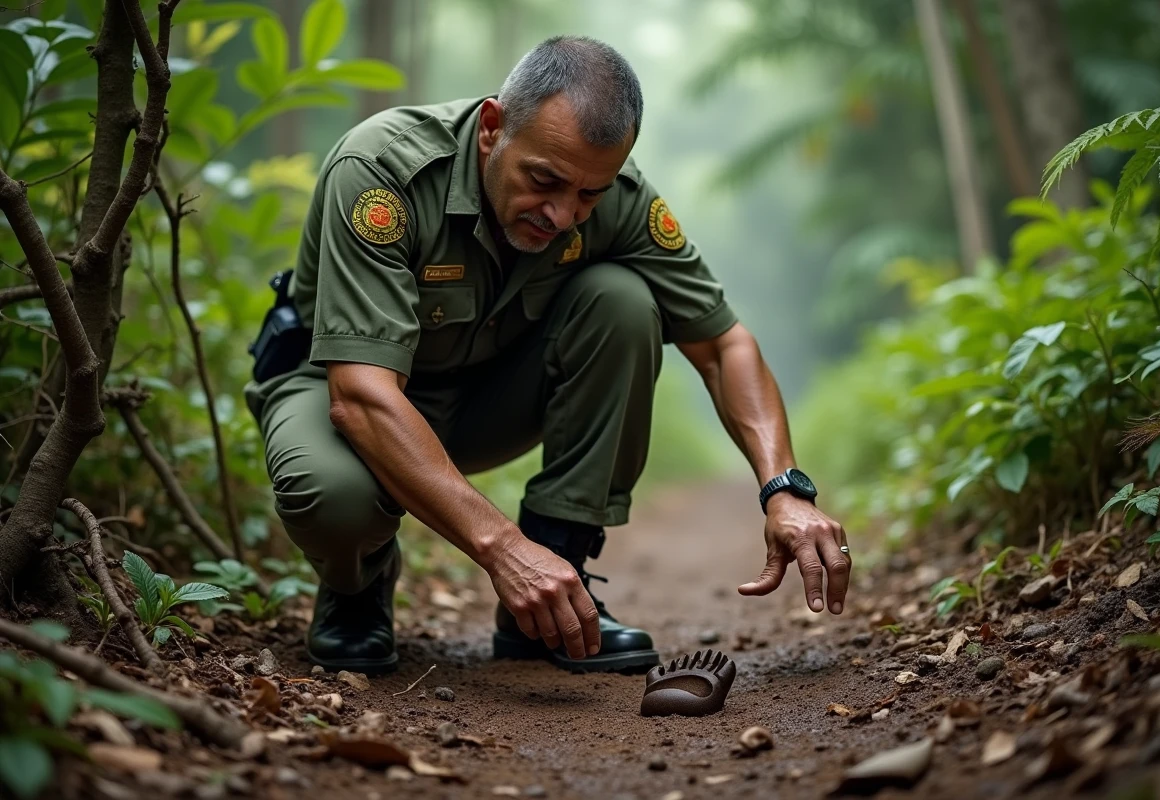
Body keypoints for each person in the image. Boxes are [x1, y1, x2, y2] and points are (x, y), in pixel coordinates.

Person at [244, 35, 851, 676]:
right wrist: (503, 547)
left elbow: (723, 343)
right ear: (491, 129)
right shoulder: (383, 172)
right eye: (544, 180)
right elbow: (362, 398)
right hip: (343, 394)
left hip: (481, 401)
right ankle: (356, 588)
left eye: (589, 194)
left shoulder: (616, 199)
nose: (563, 214)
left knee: (621, 300)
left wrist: (785, 489)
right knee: (333, 497)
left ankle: (552, 595)